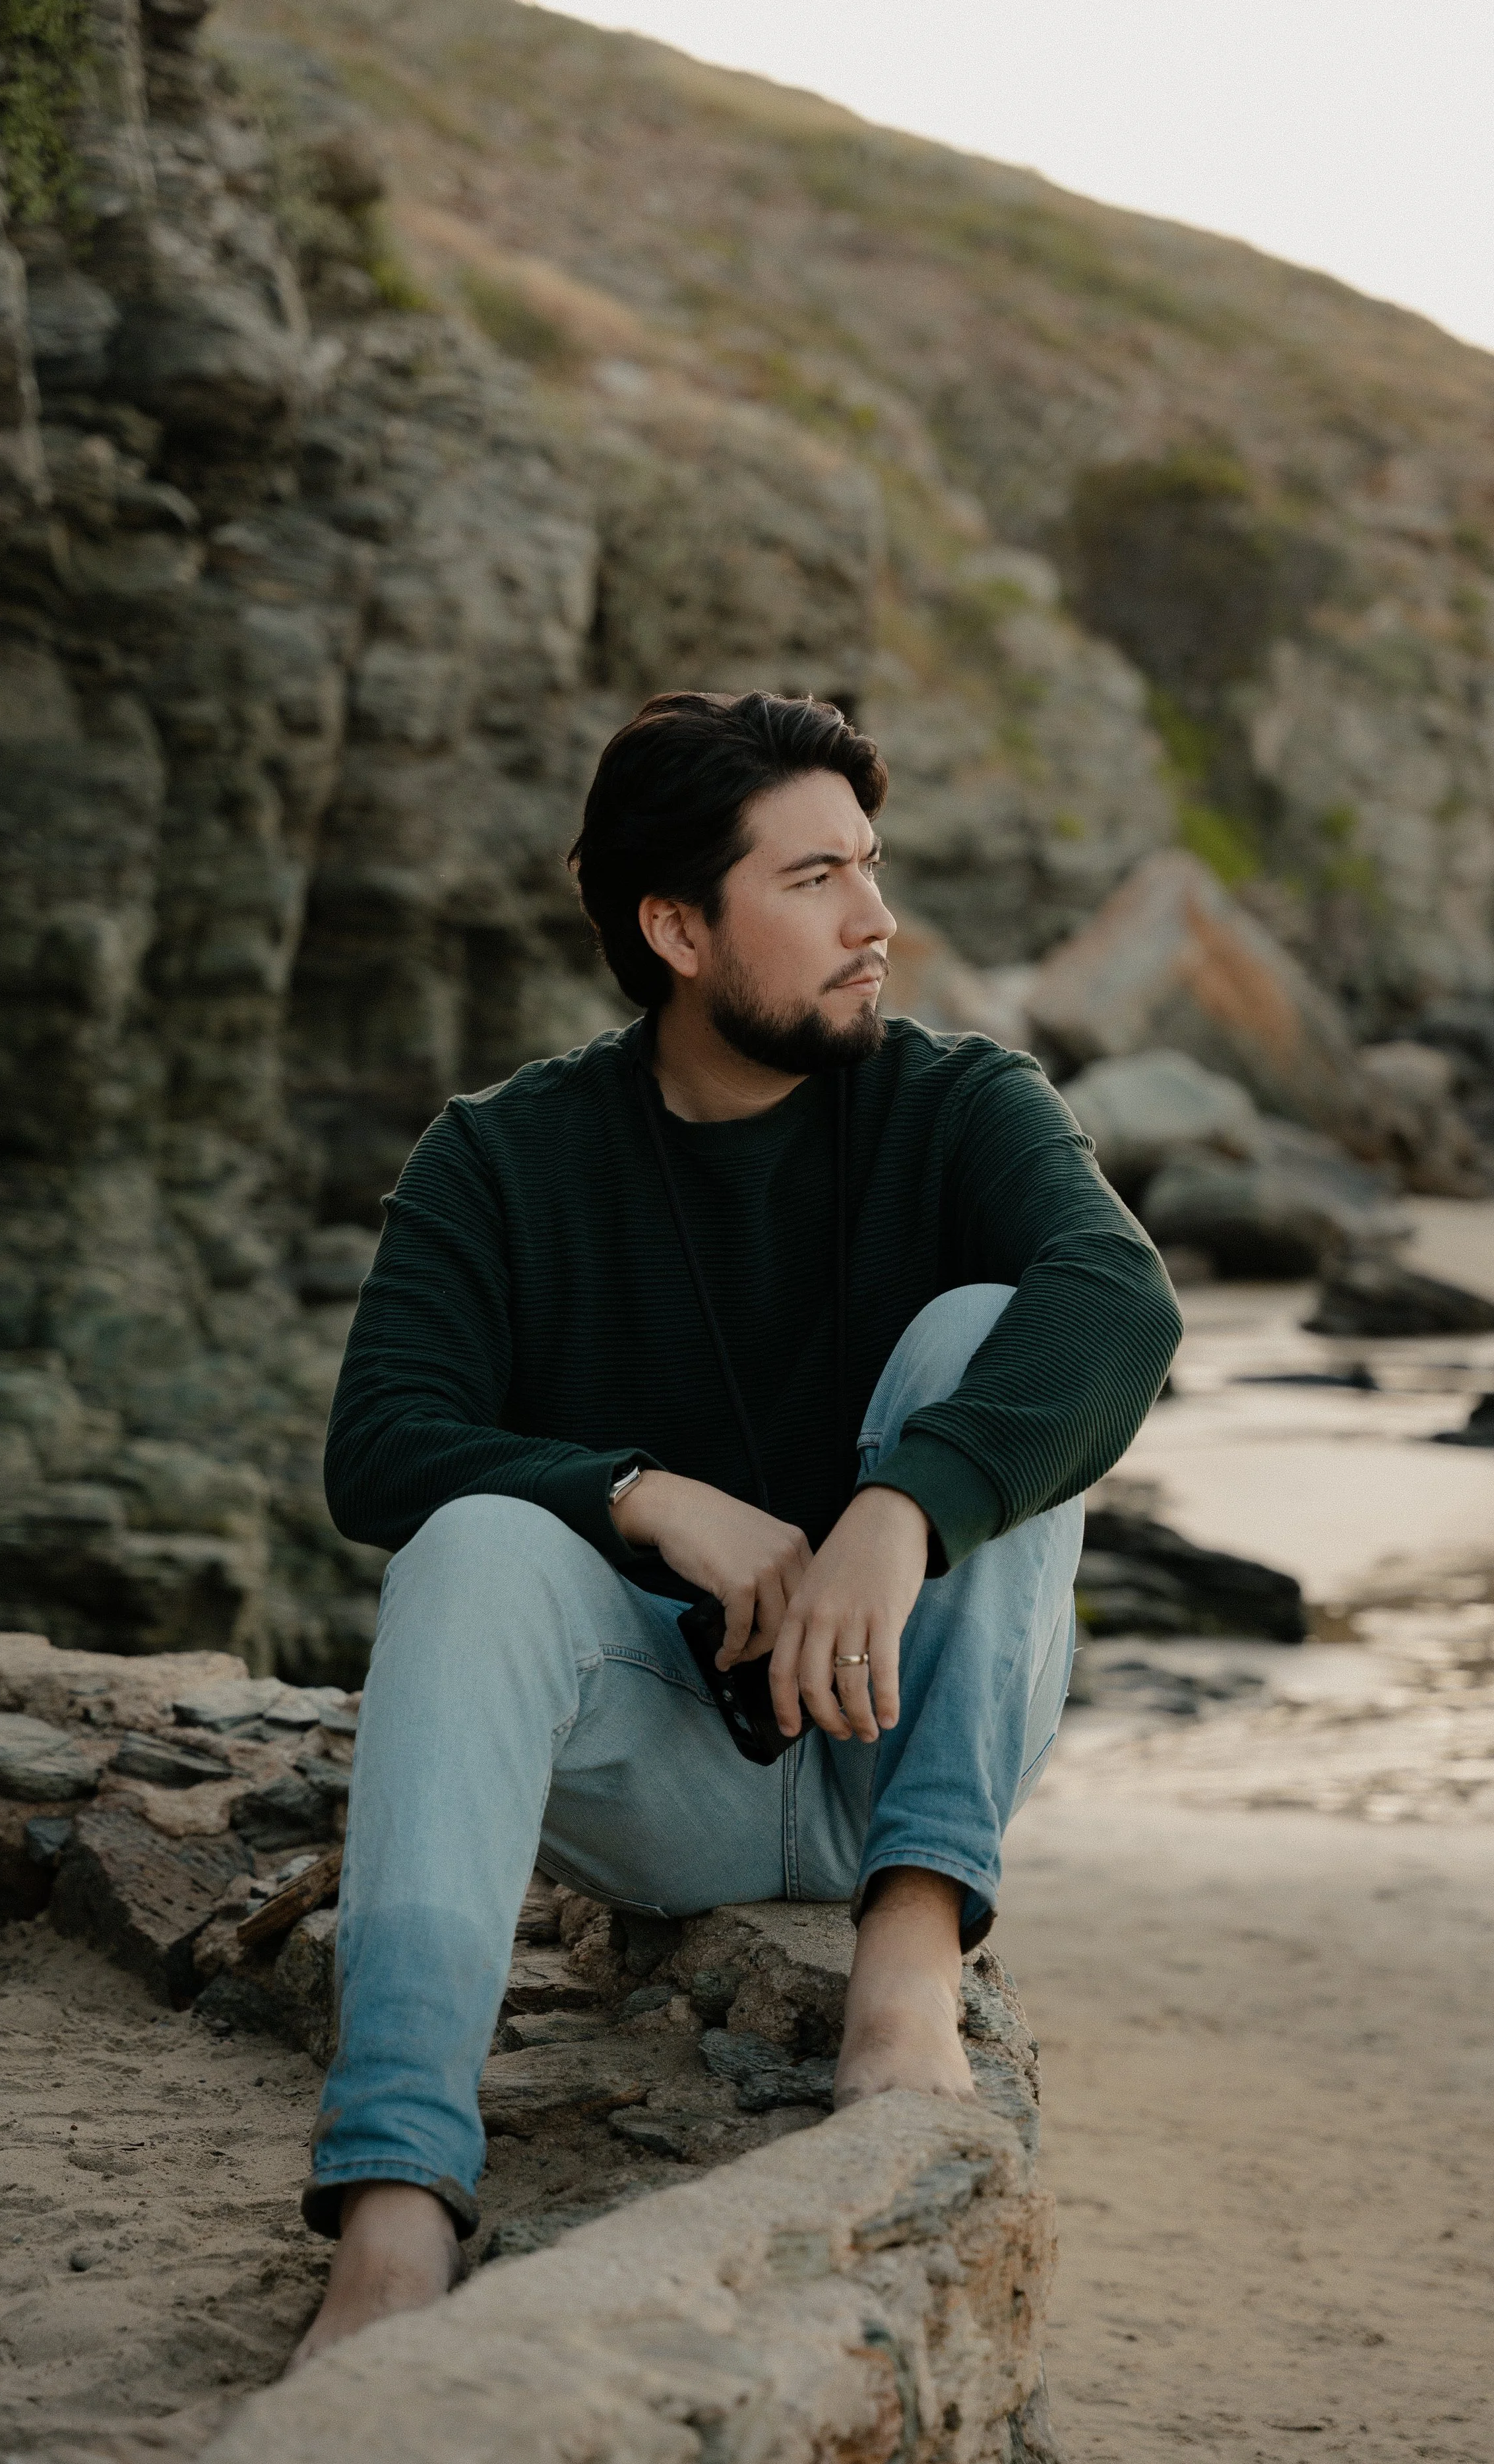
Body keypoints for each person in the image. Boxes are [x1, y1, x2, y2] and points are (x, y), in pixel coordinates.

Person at [293, 689, 1181, 2361]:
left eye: (871, 867)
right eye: (813, 880)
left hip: (902, 1738)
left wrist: (899, 1511)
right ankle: (396, 2206)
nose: (874, 921)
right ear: (676, 926)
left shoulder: (959, 1103)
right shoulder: (503, 1159)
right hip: (659, 1779)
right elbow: (379, 1448)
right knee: (475, 1537)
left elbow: (1117, 1305)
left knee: (985, 1328)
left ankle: (907, 1965)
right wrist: (646, 1498)